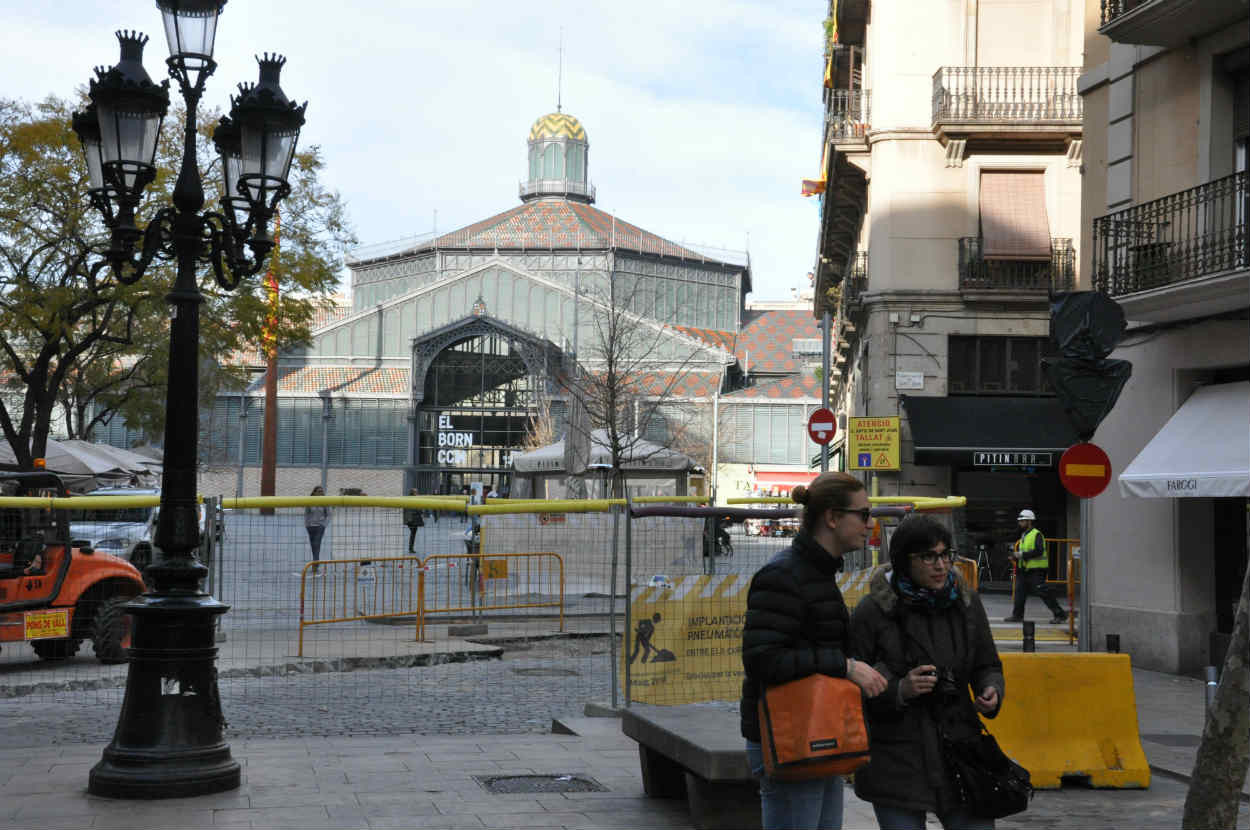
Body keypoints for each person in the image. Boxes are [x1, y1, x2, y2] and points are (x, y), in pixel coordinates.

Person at [740, 472, 888, 830]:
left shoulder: (817, 572)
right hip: (790, 737)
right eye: (863, 514)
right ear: (832, 518)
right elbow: (762, 659)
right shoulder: (784, 575)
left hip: (817, 731)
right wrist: (845, 666)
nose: (870, 525)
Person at [849, 514, 1006, 830]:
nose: (941, 565)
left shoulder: (965, 603)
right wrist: (900, 690)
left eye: (946, 555)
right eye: (928, 556)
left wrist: (991, 689)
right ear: (904, 560)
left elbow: (987, 664)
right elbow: (852, 686)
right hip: (896, 757)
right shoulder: (873, 611)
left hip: (960, 749)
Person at [1003, 509, 1066, 624]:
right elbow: (1025, 552)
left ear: (1029, 521)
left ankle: (1060, 614)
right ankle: (1017, 615)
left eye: (1022, 521)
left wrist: (1021, 554)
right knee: (1019, 593)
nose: (1020, 523)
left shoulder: (1036, 534)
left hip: (1036, 569)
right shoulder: (1024, 535)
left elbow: (1038, 550)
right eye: (1020, 521)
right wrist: (1016, 557)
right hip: (1024, 569)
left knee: (1042, 591)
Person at [304, 485, 330, 574]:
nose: (321, 493)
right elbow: (306, 514)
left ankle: (315, 564)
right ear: (314, 492)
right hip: (311, 527)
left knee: (317, 543)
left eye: (322, 491)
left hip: (320, 526)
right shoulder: (310, 502)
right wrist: (307, 525)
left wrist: (324, 525)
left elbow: (328, 515)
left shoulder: (325, 502)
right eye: (319, 491)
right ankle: (315, 561)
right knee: (313, 545)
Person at [403, 488, 424, 553]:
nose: (417, 493)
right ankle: (410, 548)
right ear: (413, 493)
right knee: (413, 534)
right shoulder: (414, 499)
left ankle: (411, 548)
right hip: (413, 520)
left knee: (413, 534)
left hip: (411, 519)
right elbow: (417, 509)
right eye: (416, 492)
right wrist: (421, 511)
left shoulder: (408, 499)